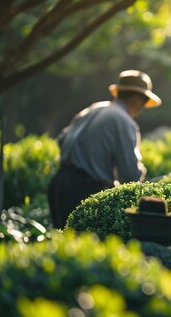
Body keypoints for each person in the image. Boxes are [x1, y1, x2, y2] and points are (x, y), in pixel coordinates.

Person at [48, 70, 162, 227]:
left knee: (62, 245)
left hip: (58, 184)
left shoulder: (94, 109)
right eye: (144, 101)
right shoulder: (124, 121)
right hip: (83, 191)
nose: (142, 108)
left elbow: (62, 140)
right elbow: (130, 174)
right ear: (136, 98)